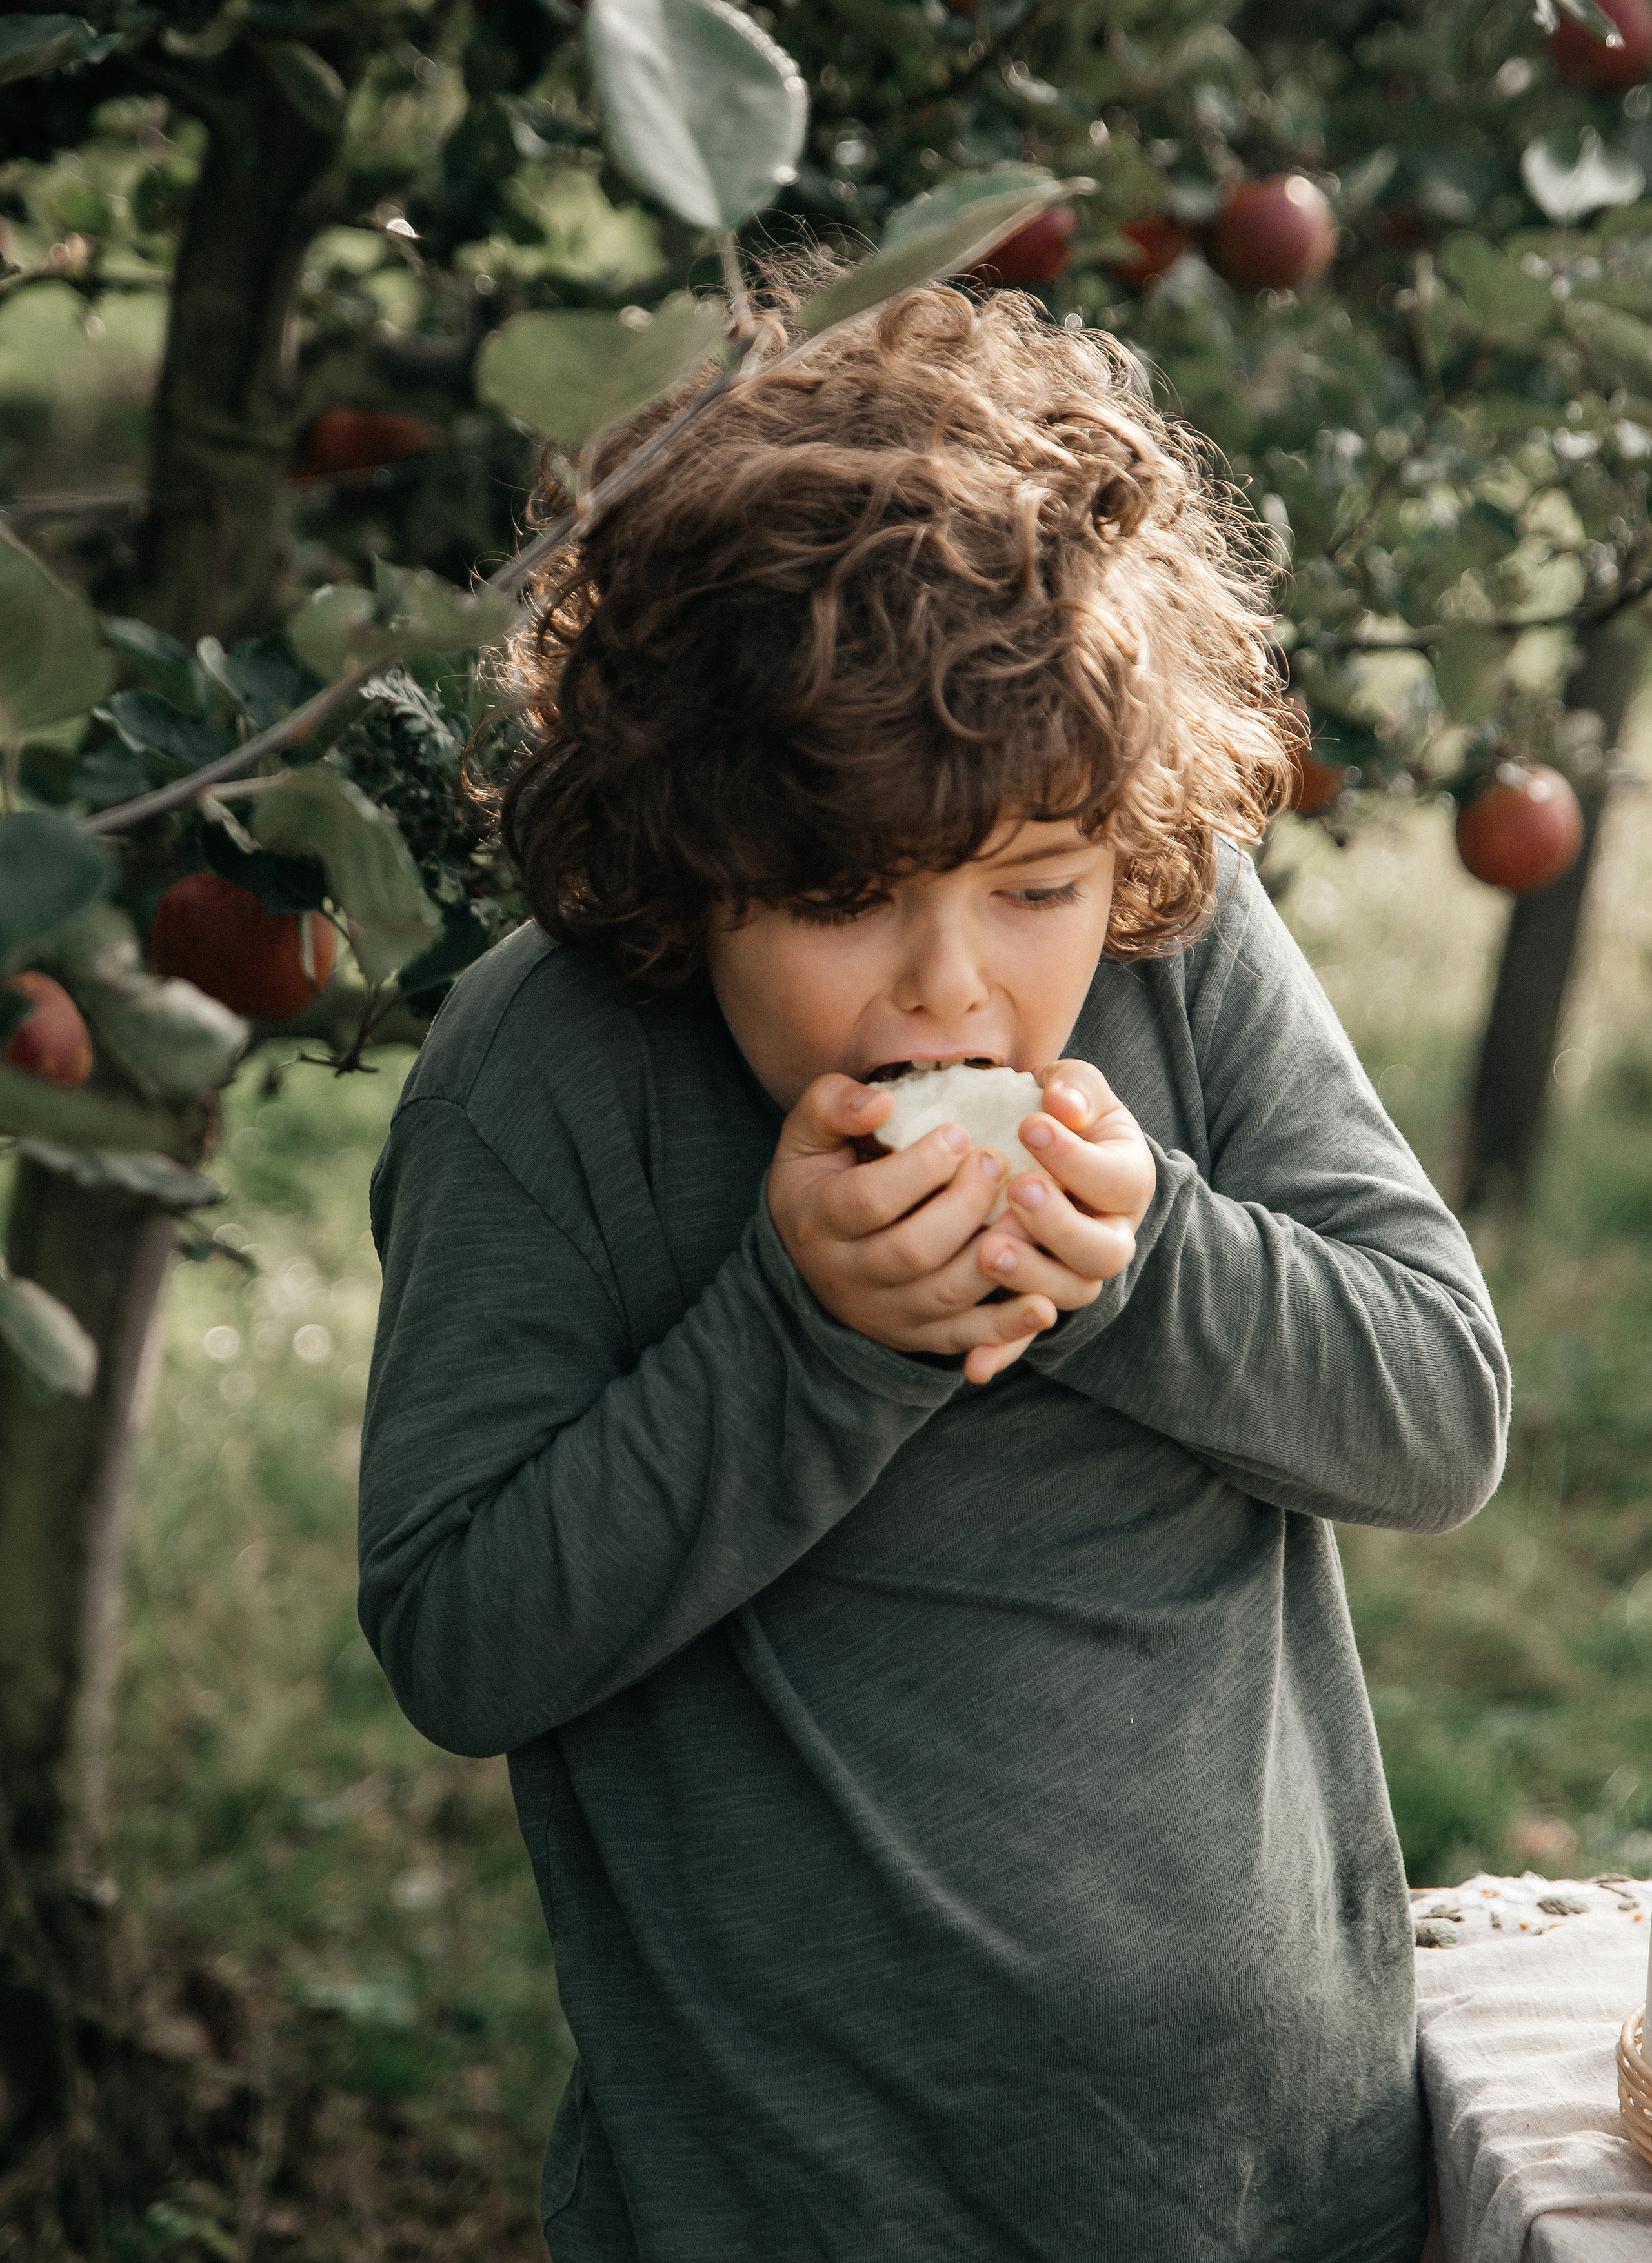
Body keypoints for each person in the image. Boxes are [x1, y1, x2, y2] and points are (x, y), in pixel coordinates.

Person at [357, 283, 1509, 2263]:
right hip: (790, 2196)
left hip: (1284, 2180)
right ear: (685, 845)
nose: (957, 984)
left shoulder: (1174, 939)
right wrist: (810, 1341)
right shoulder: (546, 1077)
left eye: (1031, 888)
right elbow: (463, 1631)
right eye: (836, 901)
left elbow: (1440, 1408)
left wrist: (1147, 1258)